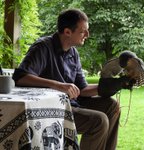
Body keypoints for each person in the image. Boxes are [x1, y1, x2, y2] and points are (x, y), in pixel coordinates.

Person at [12, 9, 121, 150]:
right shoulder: (43, 47)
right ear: (67, 32)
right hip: (51, 109)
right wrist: (58, 85)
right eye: (83, 31)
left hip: (71, 105)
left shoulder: (73, 53)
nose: (87, 35)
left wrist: (117, 83)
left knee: (112, 106)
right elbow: (20, 77)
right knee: (99, 121)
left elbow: (82, 89)